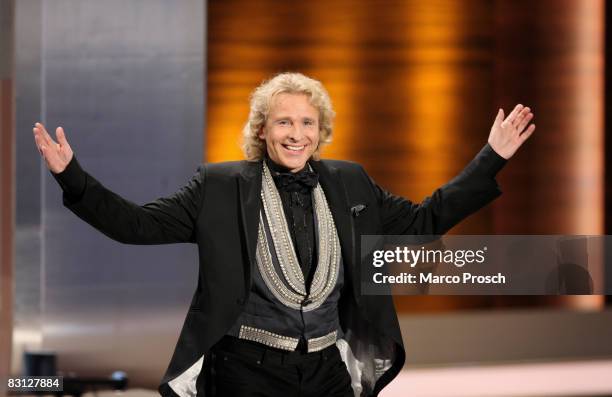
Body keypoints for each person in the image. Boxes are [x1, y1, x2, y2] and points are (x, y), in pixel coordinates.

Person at [32, 72, 535, 397]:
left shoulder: (350, 181)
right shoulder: (220, 187)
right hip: (246, 370)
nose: (297, 133)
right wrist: (72, 175)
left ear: (322, 131)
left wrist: (491, 157)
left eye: (308, 122)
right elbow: (134, 225)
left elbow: (425, 221)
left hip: (325, 370)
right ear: (261, 131)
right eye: (284, 122)